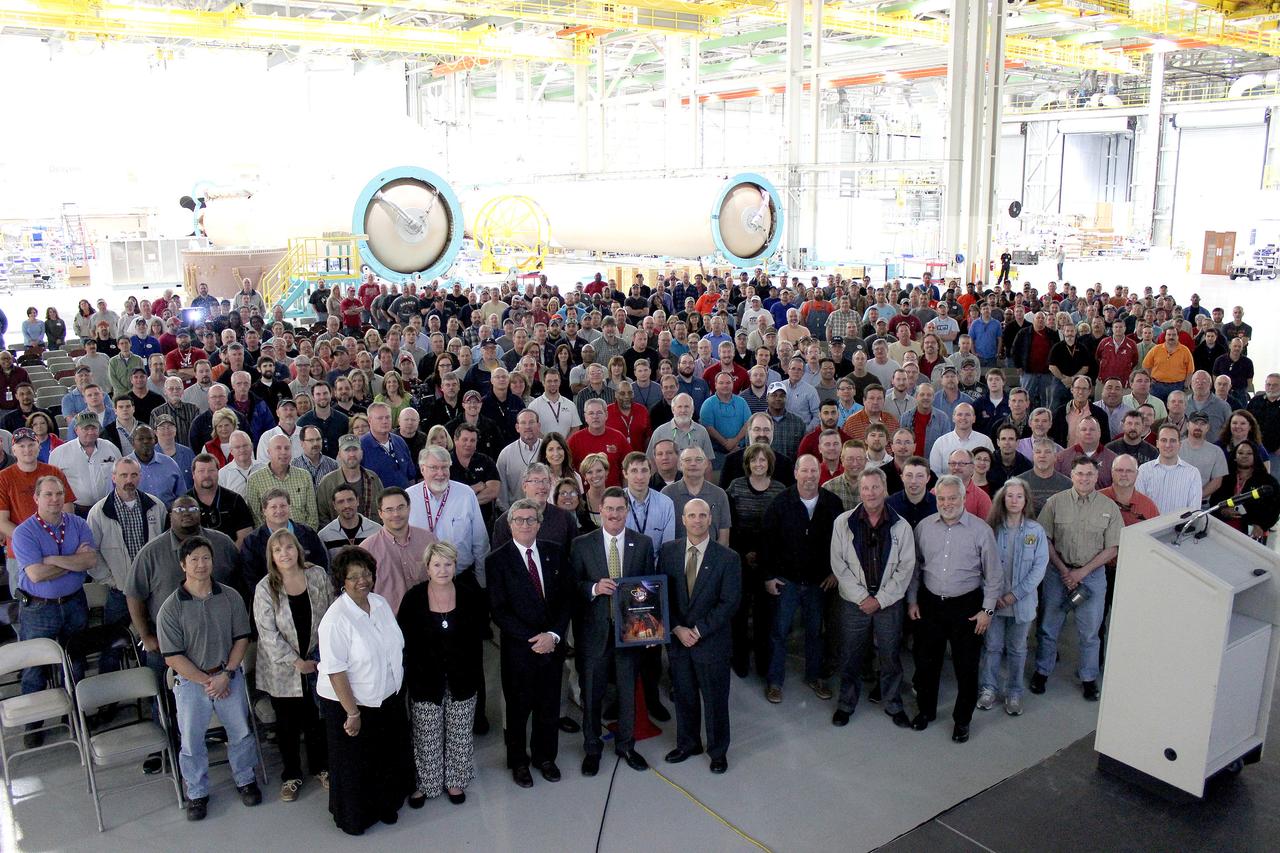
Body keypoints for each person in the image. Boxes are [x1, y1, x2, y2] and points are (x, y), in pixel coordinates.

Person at [158, 535, 261, 820]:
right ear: (183, 565)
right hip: (192, 684)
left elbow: (242, 638)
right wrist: (208, 681)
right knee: (191, 741)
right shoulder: (171, 607)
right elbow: (173, 657)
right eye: (194, 560)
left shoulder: (230, 596)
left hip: (228, 676)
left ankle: (245, 779)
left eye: (206, 558)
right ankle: (197, 792)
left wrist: (227, 673)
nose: (201, 565)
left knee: (240, 732)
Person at [316, 546, 414, 836]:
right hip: (350, 704)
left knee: (385, 756)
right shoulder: (336, 619)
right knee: (355, 763)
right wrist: (352, 712)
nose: (363, 580)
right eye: (354, 576)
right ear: (342, 582)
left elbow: (393, 645)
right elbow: (336, 670)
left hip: (386, 697)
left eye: (366, 573)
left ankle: (386, 804)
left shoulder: (380, 603)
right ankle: (356, 816)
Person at [908, 475, 1001, 743]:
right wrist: (913, 600)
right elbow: (915, 569)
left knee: (966, 667)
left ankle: (962, 720)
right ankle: (926, 711)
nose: (947, 503)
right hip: (930, 604)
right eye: (942, 498)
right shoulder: (924, 527)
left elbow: (994, 576)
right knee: (926, 663)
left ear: (963, 498)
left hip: (967, 607)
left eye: (952, 498)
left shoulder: (981, 530)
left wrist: (988, 611)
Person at [487, 500, 573, 787]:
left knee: (548, 706)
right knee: (518, 709)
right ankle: (518, 761)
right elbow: (498, 610)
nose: (525, 524)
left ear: (539, 523)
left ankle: (544, 757)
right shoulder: (497, 560)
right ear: (510, 524)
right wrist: (532, 639)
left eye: (531, 520)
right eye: (519, 520)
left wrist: (554, 635)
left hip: (552, 646)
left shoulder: (555, 553)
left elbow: (565, 600)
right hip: (519, 650)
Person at [571, 487, 656, 775]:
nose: (615, 514)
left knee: (627, 693)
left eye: (620, 509)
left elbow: (648, 589)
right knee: (592, 694)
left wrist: (649, 631)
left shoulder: (642, 544)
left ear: (627, 511)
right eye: (610, 509)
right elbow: (572, 586)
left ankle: (626, 746)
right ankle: (592, 749)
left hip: (630, 635)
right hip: (594, 635)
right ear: (601, 511)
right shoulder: (582, 544)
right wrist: (594, 588)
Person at [656, 499, 741, 774]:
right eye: (691, 515)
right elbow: (662, 595)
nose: (697, 520)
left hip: (711, 643)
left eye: (702, 515)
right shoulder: (668, 552)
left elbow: (729, 603)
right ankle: (688, 743)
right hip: (679, 641)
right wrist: (677, 628)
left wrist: (698, 630)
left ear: (710, 519)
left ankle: (717, 751)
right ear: (683, 519)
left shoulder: (728, 558)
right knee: (684, 696)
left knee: (715, 701)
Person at [10, 476, 96, 743]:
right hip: (39, 610)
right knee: (34, 668)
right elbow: (35, 574)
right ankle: (33, 724)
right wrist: (74, 561)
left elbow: (90, 561)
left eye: (59, 494)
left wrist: (54, 561)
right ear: (36, 499)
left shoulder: (78, 524)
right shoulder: (24, 532)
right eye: (48, 494)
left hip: (74, 603)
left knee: (75, 661)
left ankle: (74, 716)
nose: (55, 499)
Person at [399, 542, 485, 806]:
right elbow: (403, 639)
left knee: (460, 732)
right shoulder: (413, 598)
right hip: (425, 679)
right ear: (427, 568)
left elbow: (478, 638)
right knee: (426, 733)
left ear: (455, 566)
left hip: (462, 678)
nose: (443, 569)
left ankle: (456, 780)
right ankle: (426, 782)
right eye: (437, 564)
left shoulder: (469, 595)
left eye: (448, 564)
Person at [829, 466, 916, 729]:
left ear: (885, 489)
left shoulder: (901, 526)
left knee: (890, 655)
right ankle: (846, 703)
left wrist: (881, 599)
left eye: (875, 487)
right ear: (859, 491)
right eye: (865, 488)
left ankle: (893, 703)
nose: (870, 493)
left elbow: (905, 568)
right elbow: (839, 565)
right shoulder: (843, 523)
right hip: (854, 603)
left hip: (888, 604)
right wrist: (863, 598)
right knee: (851, 654)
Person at [252, 528, 334, 802]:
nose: (284, 553)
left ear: (298, 550)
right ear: (271, 557)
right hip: (283, 669)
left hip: (316, 660)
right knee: (287, 725)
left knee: (316, 719)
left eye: (289, 547)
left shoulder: (317, 575)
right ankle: (291, 776)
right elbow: (267, 634)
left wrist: (319, 657)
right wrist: (295, 661)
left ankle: (321, 768)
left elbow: (332, 613)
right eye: (278, 550)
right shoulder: (265, 587)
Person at [1031, 457, 1122, 702]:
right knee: (1049, 628)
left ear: (1096, 477)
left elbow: (1113, 547)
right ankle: (1042, 671)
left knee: (1090, 632)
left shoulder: (1109, 507)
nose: (1084, 479)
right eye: (1080, 474)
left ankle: (1089, 678)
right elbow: (1044, 540)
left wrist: (1082, 572)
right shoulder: (1055, 503)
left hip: (1092, 577)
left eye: (1089, 474)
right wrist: (1063, 570)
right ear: (1072, 476)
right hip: (1057, 573)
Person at [762, 455, 844, 704]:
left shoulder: (832, 502)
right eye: (804, 471)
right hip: (787, 581)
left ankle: (815, 676)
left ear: (819, 474)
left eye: (813, 471)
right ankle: (775, 681)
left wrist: (835, 572)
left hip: (819, 582)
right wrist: (768, 577)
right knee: (778, 632)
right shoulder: (780, 503)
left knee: (815, 632)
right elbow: (767, 542)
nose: (809, 476)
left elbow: (841, 543)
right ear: (795, 473)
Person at [87, 458, 166, 677]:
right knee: (112, 645)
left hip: (152, 591)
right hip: (119, 592)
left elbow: (164, 546)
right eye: (123, 475)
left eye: (133, 475)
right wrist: (112, 580)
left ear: (140, 477)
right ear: (113, 478)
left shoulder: (155, 506)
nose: (129, 480)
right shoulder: (99, 512)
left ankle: (154, 695)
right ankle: (107, 699)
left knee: (153, 645)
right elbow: (91, 554)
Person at [976, 479, 1048, 717]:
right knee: (992, 647)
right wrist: (993, 595)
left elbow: (1039, 568)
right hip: (993, 602)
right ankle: (988, 689)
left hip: (1022, 604)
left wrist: (1013, 595)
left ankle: (1014, 693)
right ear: (1002, 499)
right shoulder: (991, 529)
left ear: (1026, 500)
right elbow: (980, 564)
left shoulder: (1035, 531)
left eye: (1019, 496)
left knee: (1017, 649)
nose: (1014, 500)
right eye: (1010, 496)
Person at [725, 443, 786, 679]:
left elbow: (781, 529)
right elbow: (729, 524)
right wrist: (744, 553)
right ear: (747, 463)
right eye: (754, 460)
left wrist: (762, 554)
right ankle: (739, 660)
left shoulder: (779, 489)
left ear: (769, 463)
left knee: (764, 615)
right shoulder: (736, 487)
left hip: (768, 560)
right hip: (740, 557)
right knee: (739, 614)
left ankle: (763, 662)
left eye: (763, 460)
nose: (758, 464)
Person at [362, 486, 436, 614]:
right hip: (389, 622)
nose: (396, 514)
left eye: (400, 507)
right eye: (389, 510)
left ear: (409, 508)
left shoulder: (428, 540)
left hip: (428, 616)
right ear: (380, 513)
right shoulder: (367, 550)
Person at [50, 411, 121, 516]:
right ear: (76, 430)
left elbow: (121, 475)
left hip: (108, 508)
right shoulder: (59, 453)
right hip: (76, 511)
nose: (90, 432)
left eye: (94, 428)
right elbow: (53, 484)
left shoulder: (110, 447)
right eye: (86, 429)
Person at [1211, 440, 1280, 543]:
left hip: (1252, 534)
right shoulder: (1224, 477)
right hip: (1222, 531)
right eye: (1240, 453)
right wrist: (1222, 511)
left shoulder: (1268, 481)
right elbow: (1214, 500)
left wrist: (1261, 525)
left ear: (1255, 456)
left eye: (1249, 453)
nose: (1244, 456)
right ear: (1235, 456)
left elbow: (1275, 508)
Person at [246, 434, 319, 529]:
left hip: (302, 537)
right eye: (278, 448)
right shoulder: (255, 479)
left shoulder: (304, 476)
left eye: (287, 448)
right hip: (270, 540)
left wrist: (304, 536)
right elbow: (255, 517)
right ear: (269, 452)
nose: (283, 452)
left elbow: (312, 514)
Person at [1135, 424, 1203, 514]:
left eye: (1173, 441)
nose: (1168, 445)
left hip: (1180, 527)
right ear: (1157, 443)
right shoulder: (1144, 470)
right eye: (1163, 440)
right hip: (1150, 527)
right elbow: (1139, 506)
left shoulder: (1192, 473)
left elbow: (1194, 511)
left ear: (1180, 444)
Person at [319, 484, 383, 557]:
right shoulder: (324, 536)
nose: (347, 506)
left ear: (357, 501)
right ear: (334, 505)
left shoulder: (377, 530)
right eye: (341, 502)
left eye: (350, 500)